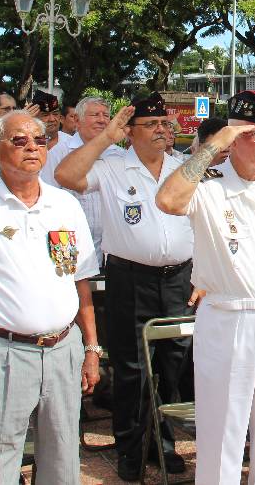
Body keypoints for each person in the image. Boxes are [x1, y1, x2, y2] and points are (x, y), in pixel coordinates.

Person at [155, 89, 255, 485]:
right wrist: (212, 146)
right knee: (223, 430)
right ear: (233, 138)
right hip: (230, 318)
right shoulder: (207, 186)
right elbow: (168, 200)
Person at [0, 112, 101, 485]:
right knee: (1, 459)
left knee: (63, 457)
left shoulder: (65, 205)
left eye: (39, 140)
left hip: (64, 348)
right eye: (19, 140)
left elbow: (81, 282)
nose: (31, 147)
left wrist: (91, 349)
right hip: (4, 353)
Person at [54, 92, 193, 480]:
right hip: (131, 280)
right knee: (133, 370)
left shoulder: (183, 167)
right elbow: (65, 176)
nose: (162, 130)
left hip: (180, 279)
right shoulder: (112, 165)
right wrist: (104, 138)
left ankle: (160, 444)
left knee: (172, 363)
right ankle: (131, 449)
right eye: (151, 125)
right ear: (130, 132)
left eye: (165, 124)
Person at [41, 96, 119, 257]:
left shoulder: (119, 155)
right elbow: (47, 203)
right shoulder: (58, 153)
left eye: (105, 115)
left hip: (112, 251)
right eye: (95, 115)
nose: (101, 120)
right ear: (77, 120)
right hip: (71, 245)